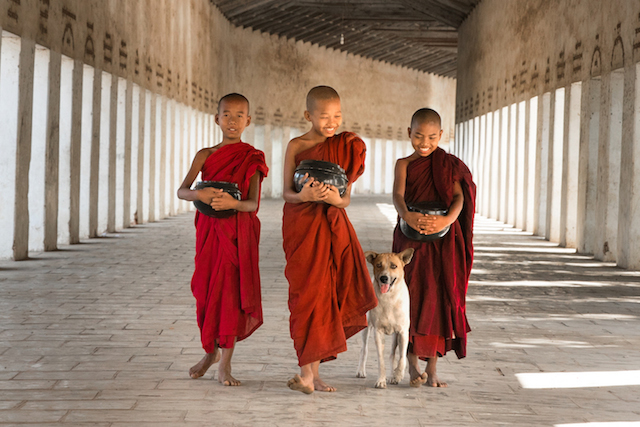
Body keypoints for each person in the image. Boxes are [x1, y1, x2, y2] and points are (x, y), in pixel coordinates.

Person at [282, 86, 377, 394]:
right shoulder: (296, 145)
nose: (332, 122)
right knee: (307, 295)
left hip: (332, 225)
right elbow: (285, 192)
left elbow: (346, 198)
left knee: (326, 295)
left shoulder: (344, 147)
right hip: (301, 226)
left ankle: (312, 375)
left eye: (337, 115)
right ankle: (306, 373)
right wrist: (304, 195)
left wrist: (335, 200)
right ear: (308, 115)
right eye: (324, 116)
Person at [177, 93, 268, 386]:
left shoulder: (252, 157)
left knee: (229, 296)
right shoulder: (205, 155)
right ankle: (210, 352)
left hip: (236, 236)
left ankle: (224, 365)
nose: (233, 121)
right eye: (226, 115)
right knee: (205, 293)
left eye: (239, 115)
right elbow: (182, 190)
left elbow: (252, 204)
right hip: (208, 232)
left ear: (248, 121)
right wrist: (198, 194)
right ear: (216, 119)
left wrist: (232, 205)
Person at [392, 108, 476, 388]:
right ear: (409, 133)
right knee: (411, 295)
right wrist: (407, 216)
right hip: (410, 237)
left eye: (431, 136)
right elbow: (398, 196)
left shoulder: (447, 165)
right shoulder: (403, 164)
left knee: (440, 297)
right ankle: (412, 363)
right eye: (418, 136)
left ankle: (433, 368)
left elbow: (458, 198)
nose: (424, 142)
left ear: (441, 135)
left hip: (443, 240)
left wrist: (447, 220)